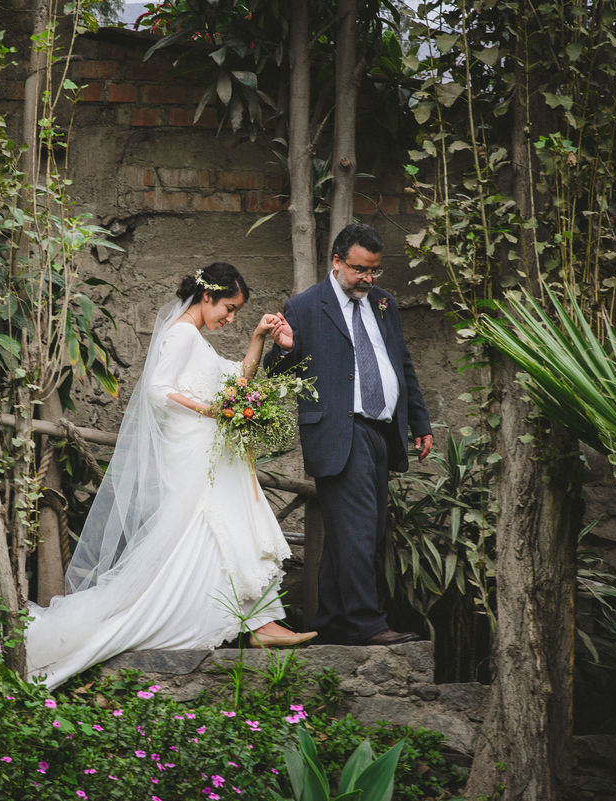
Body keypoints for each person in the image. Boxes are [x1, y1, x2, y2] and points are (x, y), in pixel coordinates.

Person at [26, 262, 316, 689]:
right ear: (206, 297)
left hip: (212, 449)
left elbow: (238, 379)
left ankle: (263, 622)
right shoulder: (180, 335)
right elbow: (158, 391)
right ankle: (256, 623)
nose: (230, 318)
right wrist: (212, 411)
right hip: (193, 450)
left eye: (237, 313)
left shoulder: (196, 340)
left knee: (231, 527)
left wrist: (257, 339)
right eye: (229, 308)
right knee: (209, 530)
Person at [263, 223, 433, 646]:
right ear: (337, 262)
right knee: (357, 530)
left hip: (381, 431)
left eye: (374, 271)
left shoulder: (384, 304)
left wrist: (419, 422)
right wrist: (283, 348)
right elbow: (276, 373)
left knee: (360, 532)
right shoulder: (305, 307)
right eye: (359, 270)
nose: (367, 279)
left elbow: (402, 364)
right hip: (340, 431)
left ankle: (334, 622)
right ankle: (366, 624)